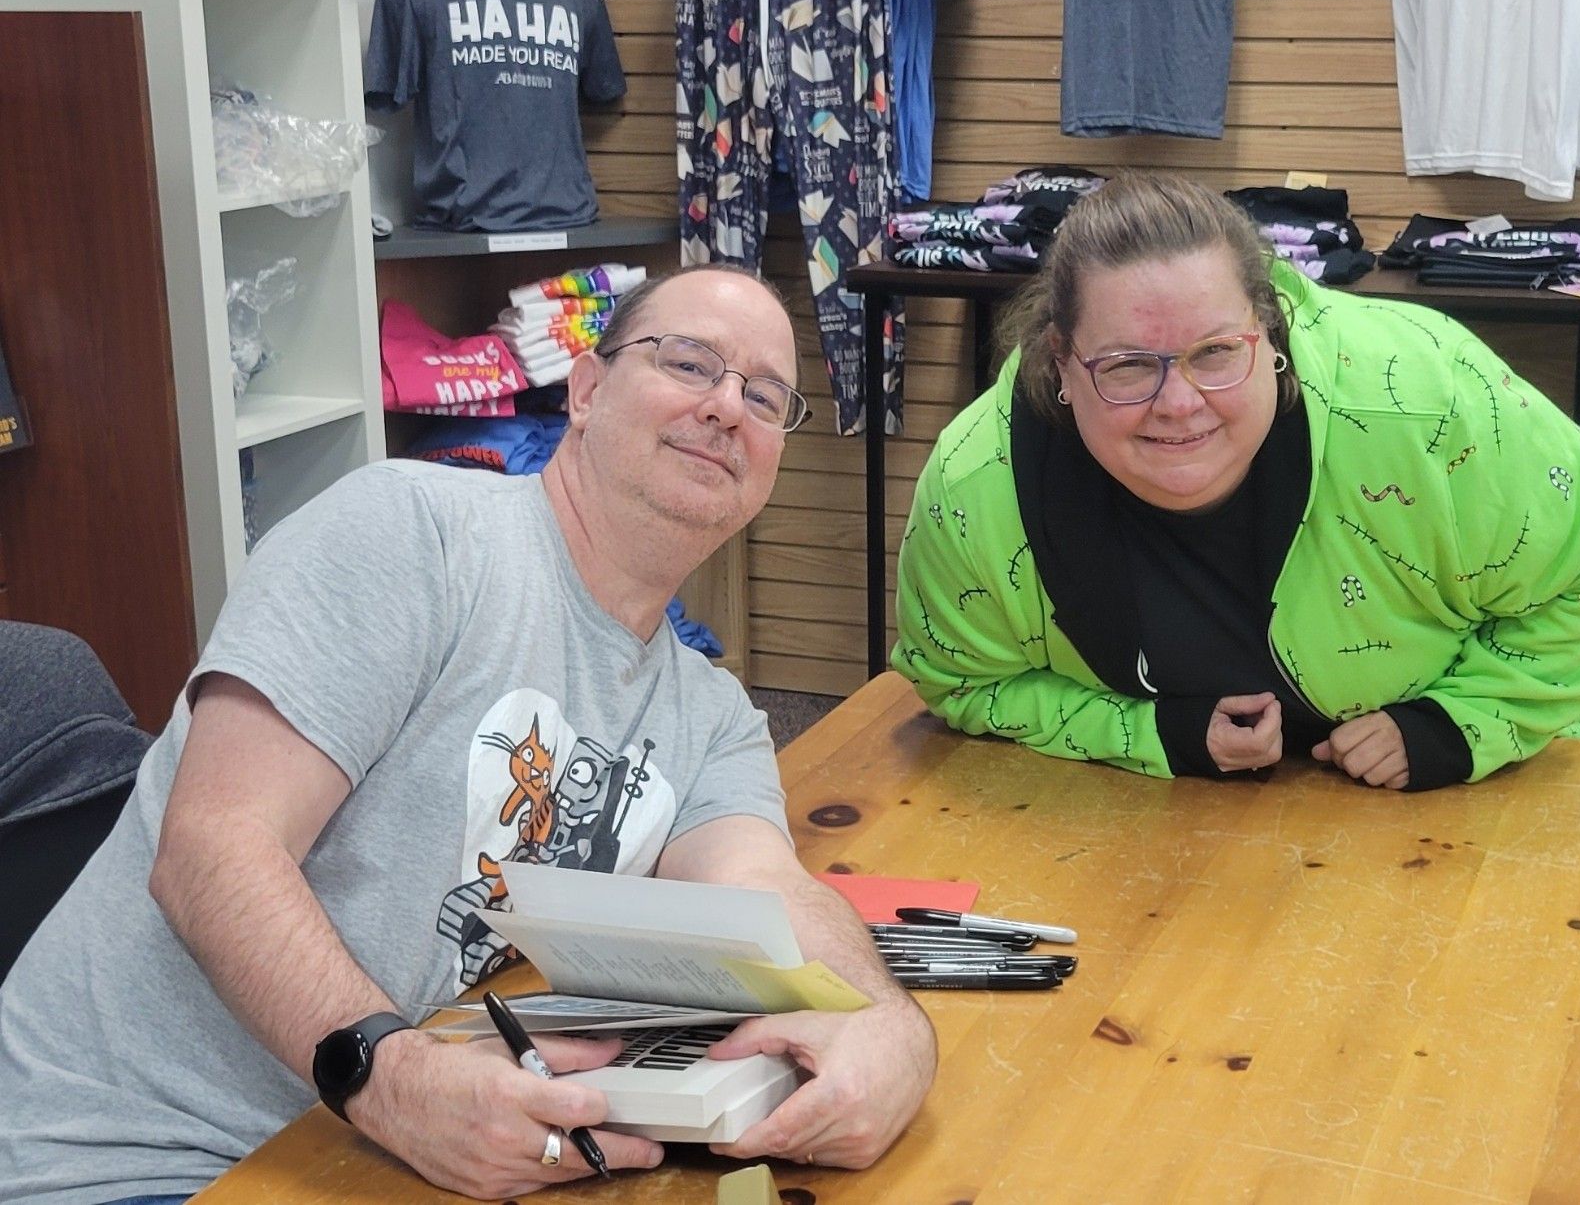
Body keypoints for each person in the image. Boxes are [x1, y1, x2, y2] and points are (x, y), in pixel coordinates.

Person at [0, 268, 936, 1205]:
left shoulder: (710, 715)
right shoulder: (412, 534)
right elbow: (211, 847)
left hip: (345, 1150)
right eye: (690, 361)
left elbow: (771, 898)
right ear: (585, 389)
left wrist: (893, 1029)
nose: (728, 404)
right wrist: (395, 1080)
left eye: (765, 396)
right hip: (120, 1156)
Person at [893, 173, 1580, 789]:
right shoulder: (974, 489)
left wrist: (1460, 725)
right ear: (1060, 360)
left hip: (1504, 781)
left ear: (1271, 326)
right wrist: (1152, 733)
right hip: (1162, 826)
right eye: (1127, 365)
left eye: (1217, 353)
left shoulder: (1420, 401)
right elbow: (959, 681)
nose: (1179, 403)